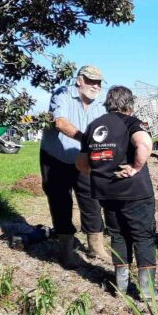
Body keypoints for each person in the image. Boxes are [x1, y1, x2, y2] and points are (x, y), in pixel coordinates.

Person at [76, 86, 158, 300]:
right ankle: (147, 290)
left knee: (118, 235)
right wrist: (136, 167)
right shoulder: (131, 122)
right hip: (134, 192)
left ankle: (121, 287)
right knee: (143, 236)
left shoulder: (95, 126)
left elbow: (81, 163)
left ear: (108, 104)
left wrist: (98, 173)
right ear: (129, 105)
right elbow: (144, 143)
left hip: (105, 192)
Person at [40, 65, 109, 268]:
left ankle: (96, 247)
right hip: (56, 157)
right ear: (79, 80)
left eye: (98, 82)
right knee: (60, 201)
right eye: (90, 80)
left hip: (83, 158)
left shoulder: (101, 104)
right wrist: (84, 138)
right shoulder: (62, 94)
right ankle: (66, 252)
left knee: (92, 201)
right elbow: (60, 122)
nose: (94, 86)